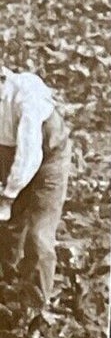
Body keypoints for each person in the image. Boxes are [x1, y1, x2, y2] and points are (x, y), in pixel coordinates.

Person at [0, 69, 71, 320]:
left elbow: (30, 155)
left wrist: (8, 195)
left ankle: (36, 308)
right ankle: (7, 282)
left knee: (38, 234)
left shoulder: (26, 95)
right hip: (10, 157)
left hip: (48, 160)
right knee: (9, 227)